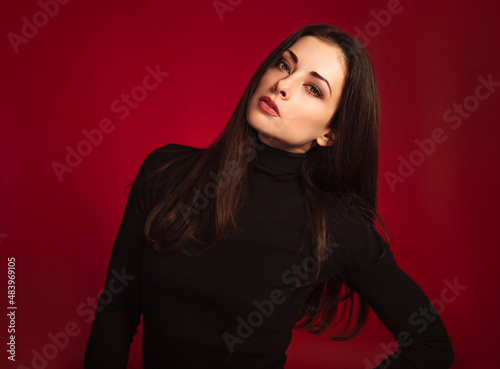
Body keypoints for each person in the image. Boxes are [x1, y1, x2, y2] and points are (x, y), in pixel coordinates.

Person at [83, 24, 454, 368]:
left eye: (314, 88)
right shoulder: (165, 172)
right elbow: (118, 307)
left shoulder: (334, 226)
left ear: (330, 133)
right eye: (284, 64)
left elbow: (431, 344)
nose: (283, 84)